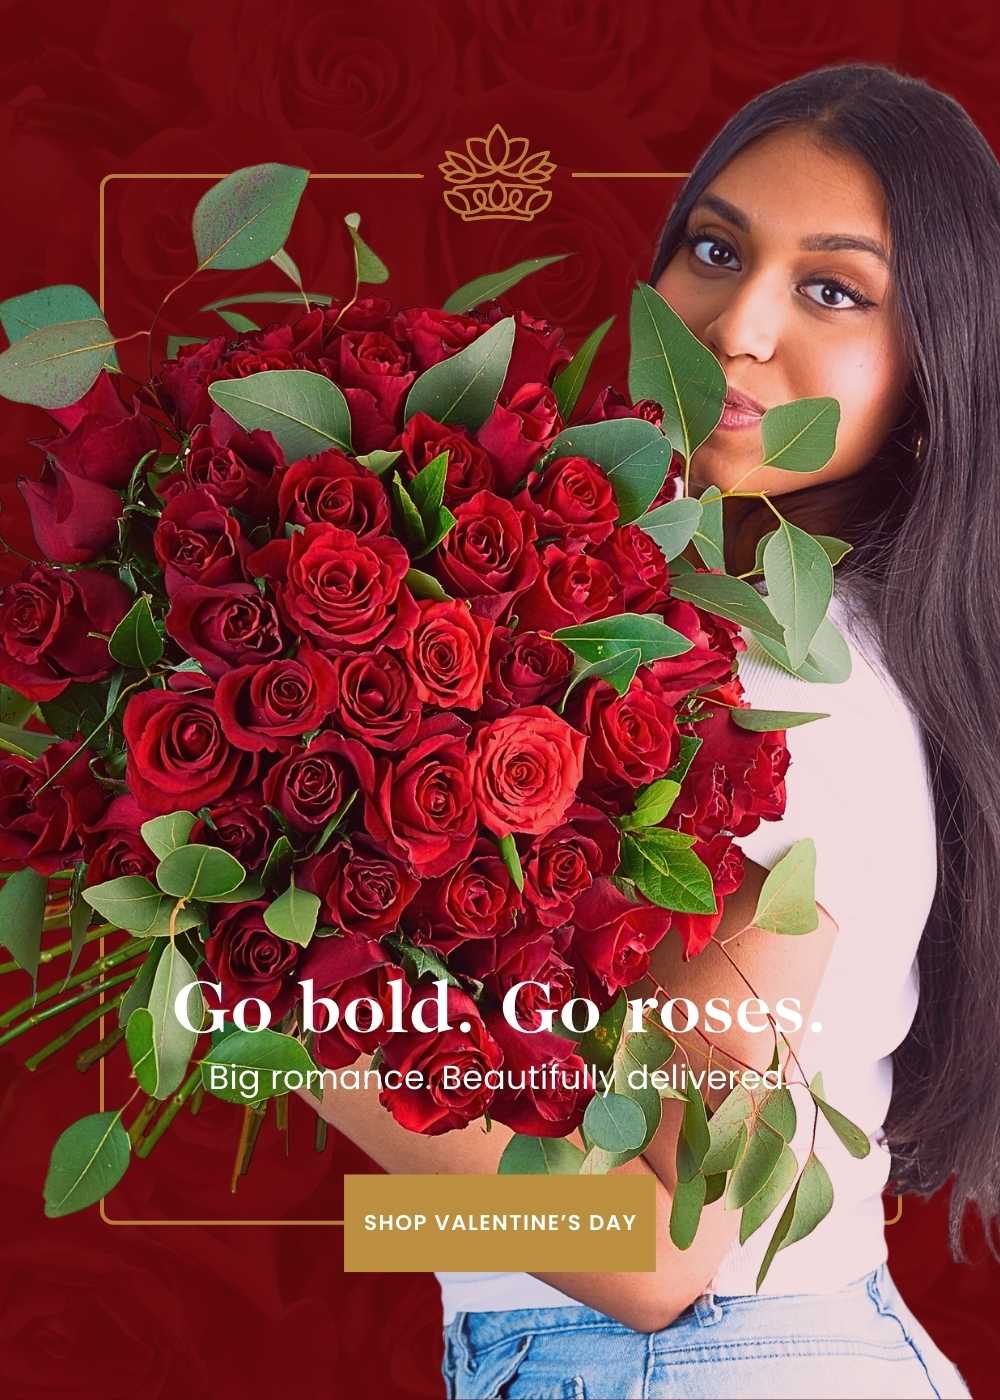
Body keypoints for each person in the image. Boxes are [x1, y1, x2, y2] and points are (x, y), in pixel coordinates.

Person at [301, 61, 996, 1398]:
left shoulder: (781, 687)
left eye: (834, 289)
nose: (737, 326)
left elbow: (652, 1250)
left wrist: (289, 1027)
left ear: (935, 368)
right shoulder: (720, 642)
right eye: (717, 249)